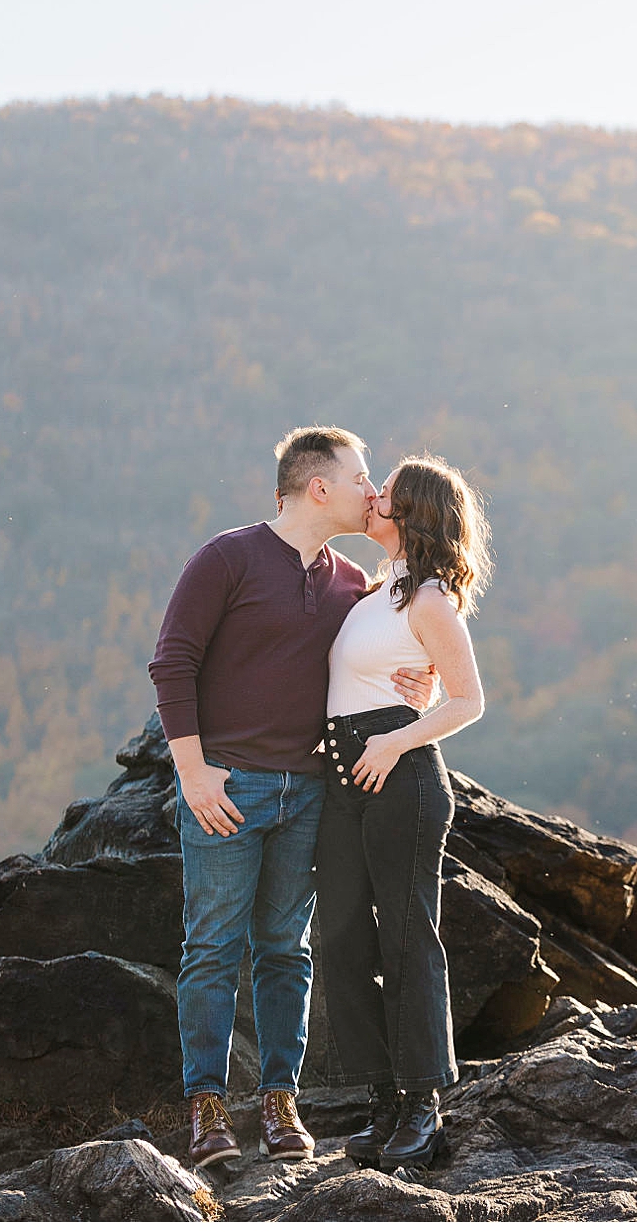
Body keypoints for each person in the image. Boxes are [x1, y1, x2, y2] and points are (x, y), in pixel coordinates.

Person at [148, 426, 433, 1169]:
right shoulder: (227, 557)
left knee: (285, 949)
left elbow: (389, 644)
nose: (374, 490)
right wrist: (193, 770)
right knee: (210, 946)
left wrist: (422, 683)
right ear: (318, 486)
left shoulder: (349, 583)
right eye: (362, 476)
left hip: (310, 791)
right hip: (226, 787)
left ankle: (280, 1102)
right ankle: (207, 1109)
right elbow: (172, 661)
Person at [316, 454, 490, 1172]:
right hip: (342, 772)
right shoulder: (375, 589)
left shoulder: (428, 599)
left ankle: (422, 1107)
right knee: (343, 938)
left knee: (408, 939)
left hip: (402, 775)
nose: (372, 496)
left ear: (411, 513)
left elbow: (468, 699)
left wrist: (396, 737)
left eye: (383, 491)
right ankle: (382, 1099)